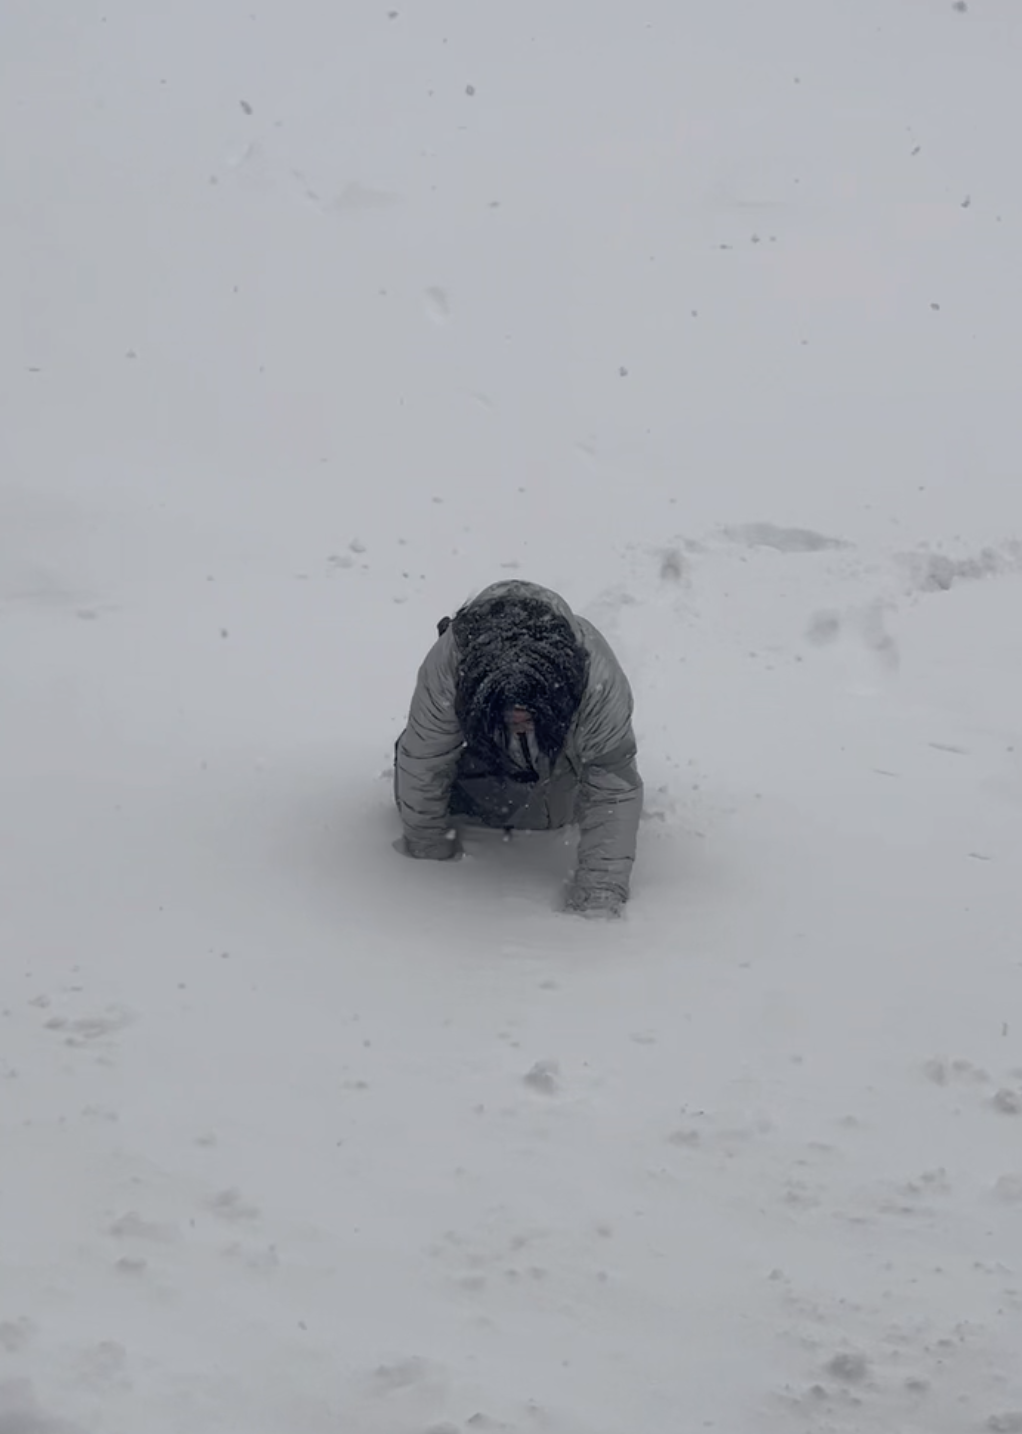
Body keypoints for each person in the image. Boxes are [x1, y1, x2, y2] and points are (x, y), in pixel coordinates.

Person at [393, 579, 643, 916]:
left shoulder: (596, 680)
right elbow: (424, 759)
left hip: (560, 785)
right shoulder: (448, 668)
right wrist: (428, 848)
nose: (519, 724)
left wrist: (600, 892)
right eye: (509, 716)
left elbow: (612, 786)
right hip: (482, 775)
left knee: (559, 805)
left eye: (529, 717)